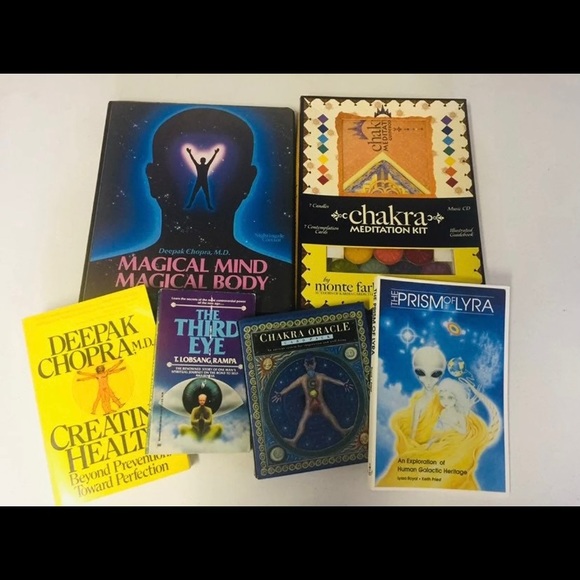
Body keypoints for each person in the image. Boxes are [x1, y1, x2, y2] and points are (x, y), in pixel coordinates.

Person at [80, 106, 294, 316]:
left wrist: (208, 154)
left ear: (247, 181)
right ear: (153, 179)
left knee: (201, 195)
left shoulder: (283, 279)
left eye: (228, 169)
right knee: (200, 196)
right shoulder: (278, 276)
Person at [271, 355, 352, 446]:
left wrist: (343, 384)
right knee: (303, 421)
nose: (310, 366)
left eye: (311, 363)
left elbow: (333, 380)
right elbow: (290, 387)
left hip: (321, 404)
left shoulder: (320, 376)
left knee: (330, 417)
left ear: (315, 364)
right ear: (305, 365)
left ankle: (342, 431)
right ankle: (294, 440)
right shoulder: (302, 379)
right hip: (309, 406)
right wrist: (281, 393)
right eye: (308, 364)